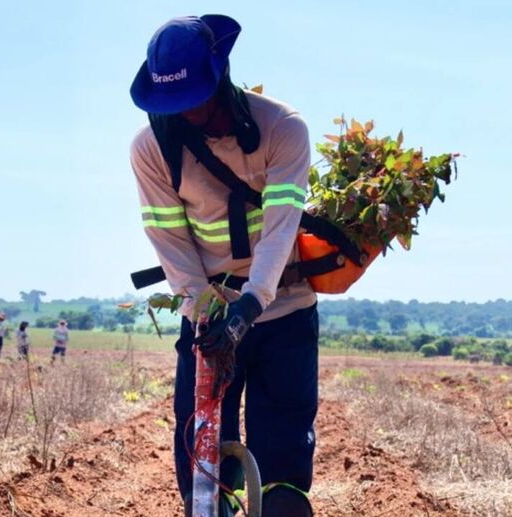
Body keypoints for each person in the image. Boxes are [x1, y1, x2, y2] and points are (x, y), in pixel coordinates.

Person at [130, 15, 317, 516]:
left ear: (222, 76)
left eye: (198, 100)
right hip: (208, 320)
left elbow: (280, 230)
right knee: (204, 474)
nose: (188, 114)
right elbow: (168, 240)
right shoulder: (151, 149)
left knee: (284, 470)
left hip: (284, 314)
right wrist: (209, 311)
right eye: (176, 105)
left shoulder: (283, 128)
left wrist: (251, 305)